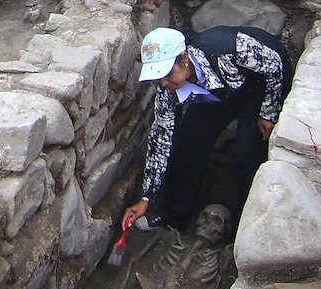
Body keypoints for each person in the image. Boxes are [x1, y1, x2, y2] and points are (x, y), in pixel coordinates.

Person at [123, 25, 293, 232]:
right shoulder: (168, 88)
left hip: (259, 83)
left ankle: (248, 226)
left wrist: (269, 112)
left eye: (168, 73)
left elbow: (274, 65)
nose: (164, 82)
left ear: (184, 58)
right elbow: (161, 140)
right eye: (158, 76)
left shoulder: (227, 49)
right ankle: (172, 216)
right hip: (217, 93)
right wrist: (146, 197)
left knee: (248, 151)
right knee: (187, 144)